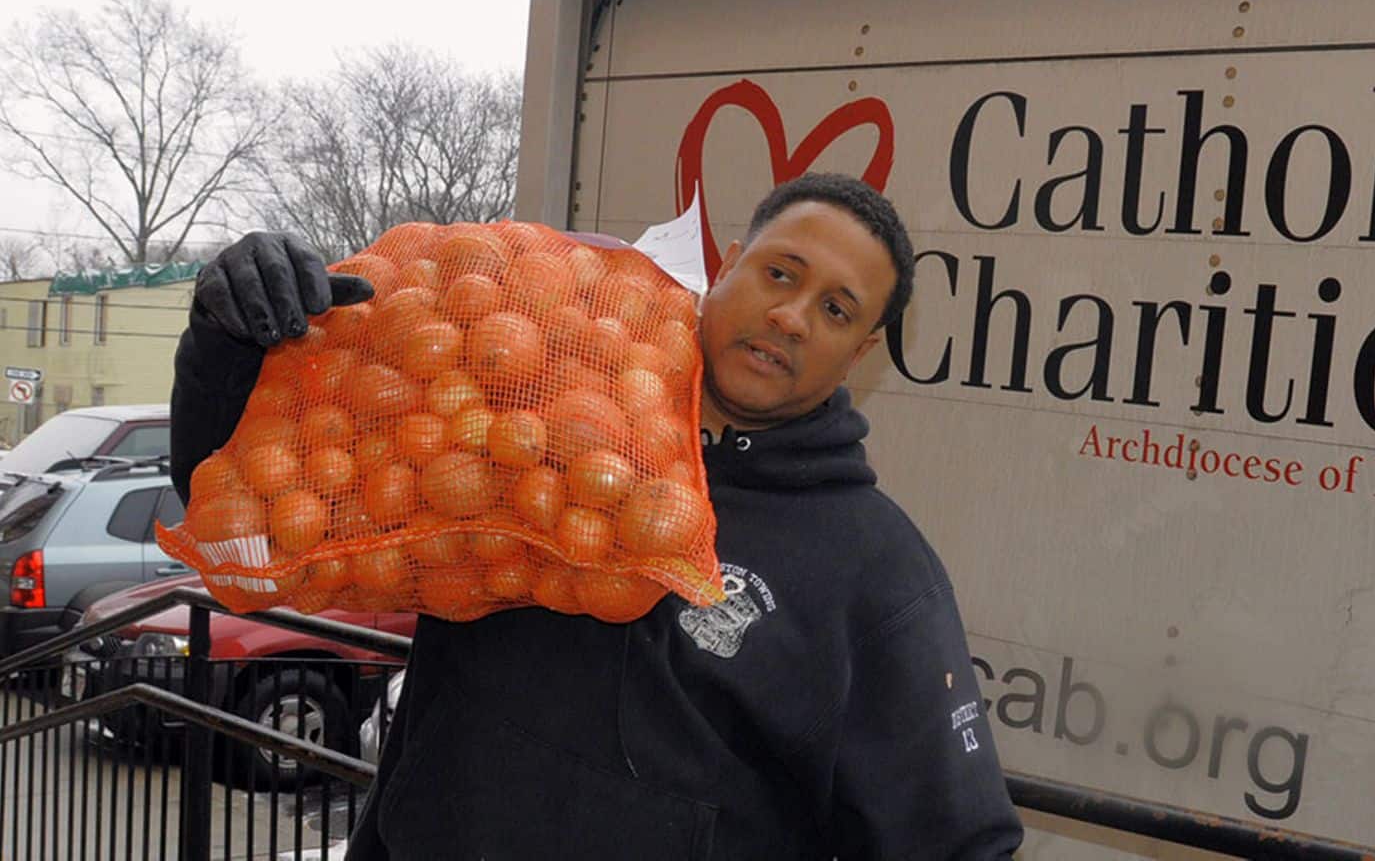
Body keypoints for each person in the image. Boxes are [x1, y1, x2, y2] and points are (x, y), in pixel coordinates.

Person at [170, 173, 1025, 859]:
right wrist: (225, 341)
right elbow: (257, 509)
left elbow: (957, 839)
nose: (792, 318)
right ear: (728, 264)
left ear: (861, 349)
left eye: (837, 309)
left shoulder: (873, 569)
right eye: (780, 273)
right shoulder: (532, 407)